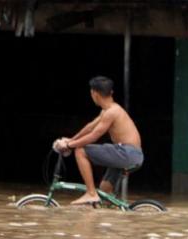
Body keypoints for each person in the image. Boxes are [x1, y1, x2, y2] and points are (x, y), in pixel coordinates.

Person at [54, 76, 143, 205]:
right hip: (131, 155)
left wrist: (70, 145)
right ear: (110, 92)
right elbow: (90, 127)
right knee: (104, 193)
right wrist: (70, 139)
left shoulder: (112, 112)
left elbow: (94, 135)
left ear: (94, 93)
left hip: (127, 153)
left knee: (81, 150)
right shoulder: (108, 110)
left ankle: (91, 193)